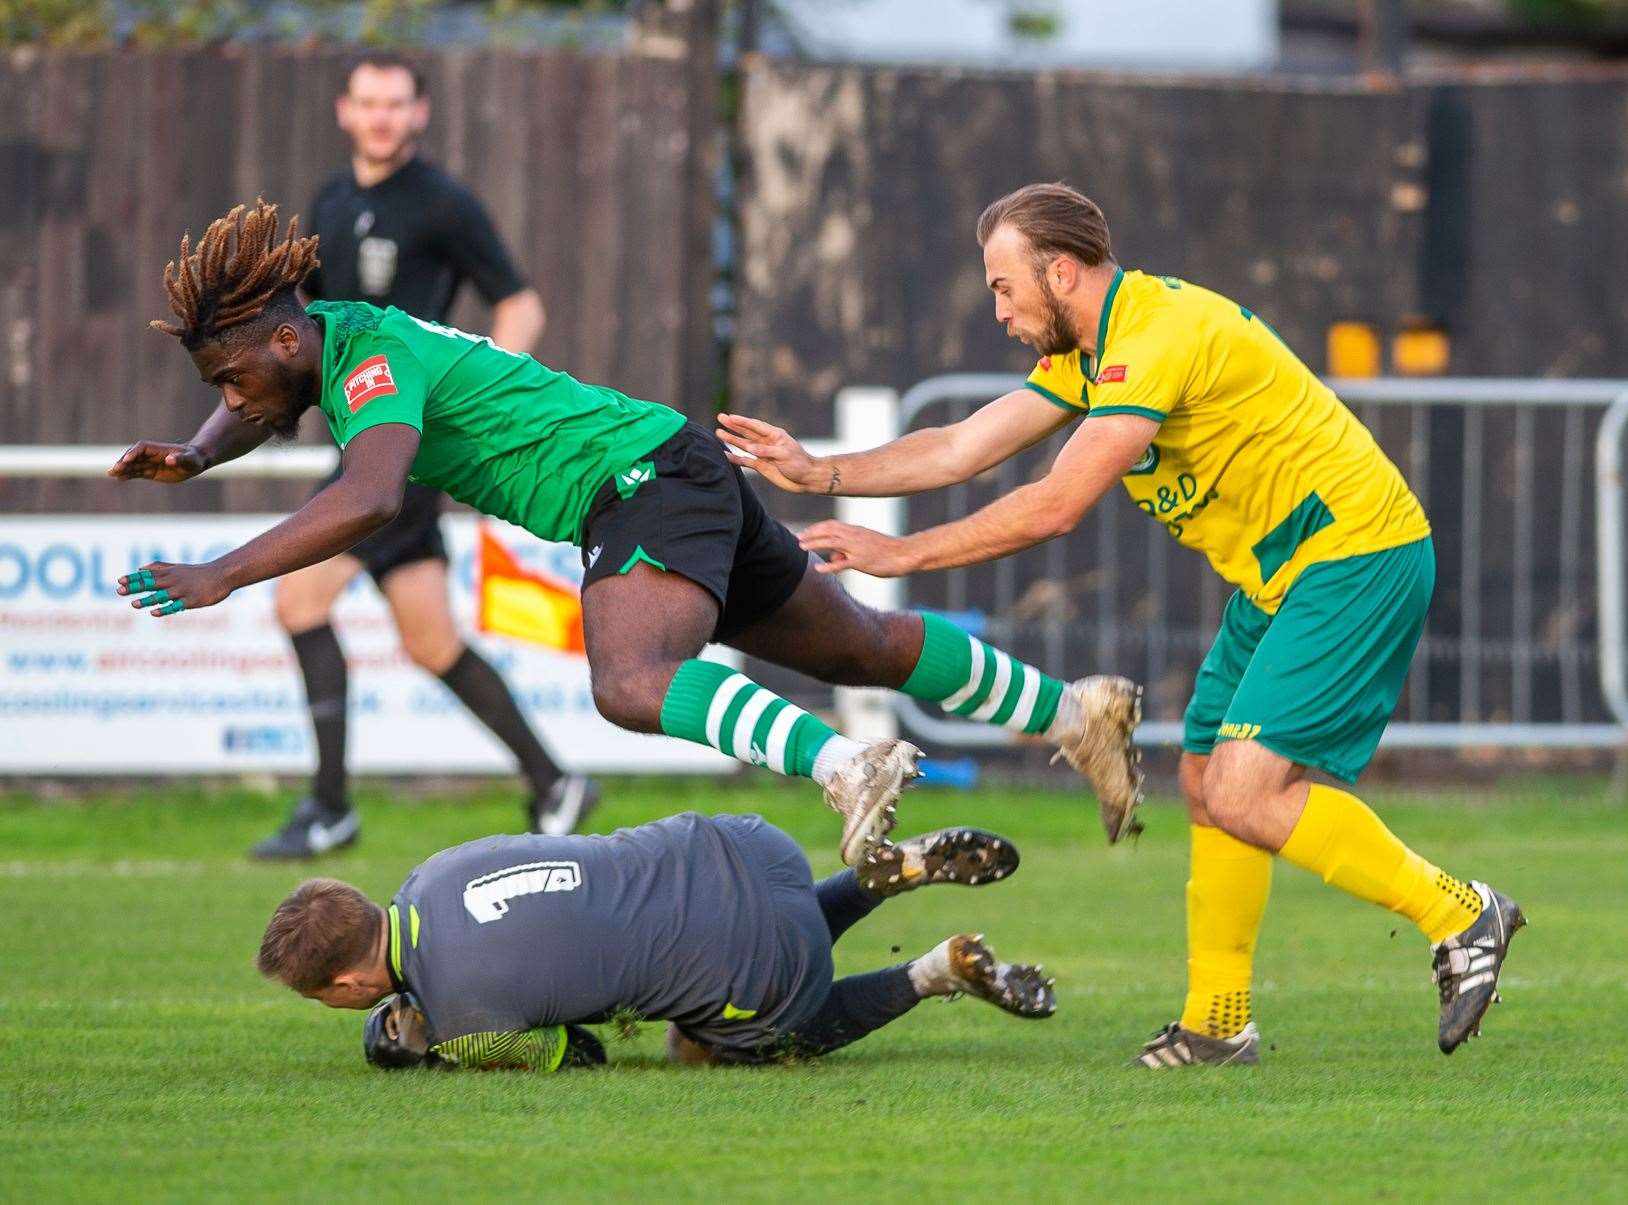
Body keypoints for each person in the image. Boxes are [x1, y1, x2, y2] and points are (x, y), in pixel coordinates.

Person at [716, 182, 1525, 1060]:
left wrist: (901, 555)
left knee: (1251, 792)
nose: (998, 309)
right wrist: (818, 470)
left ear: (1059, 272)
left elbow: (1055, 505)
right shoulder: (1093, 347)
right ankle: (1217, 1022)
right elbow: (961, 443)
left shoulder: (1151, 338)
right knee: (1209, 779)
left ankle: (1460, 913)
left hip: (1353, 556)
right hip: (1280, 578)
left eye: (1002, 285)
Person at [108, 198, 1143, 867]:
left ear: (288, 337)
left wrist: (225, 570)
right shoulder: (329, 349)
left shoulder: (367, 364)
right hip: (669, 467)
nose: (233, 399)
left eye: (233, 378)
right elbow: (262, 402)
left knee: (629, 681)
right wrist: (197, 456)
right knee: (862, 644)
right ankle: (1075, 714)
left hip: (639, 480)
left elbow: (373, 493)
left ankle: (848, 767)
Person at [252, 52, 582, 859]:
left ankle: (330, 807)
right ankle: (553, 780)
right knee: (431, 641)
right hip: (368, 439)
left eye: (395, 104)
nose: (381, 117)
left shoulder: (442, 203)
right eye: (368, 103)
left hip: (401, 446)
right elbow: (309, 313)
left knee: (297, 604)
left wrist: (483, 399)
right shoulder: (331, 198)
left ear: (419, 114)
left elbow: (522, 303)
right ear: (345, 111)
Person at [256, 817, 1053, 1070]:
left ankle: (933, 971)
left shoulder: (468, 1030)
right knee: (748, 925)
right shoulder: (437, 868)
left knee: (763, 1037)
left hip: (753, 958)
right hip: (746, 846)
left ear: (350, 985)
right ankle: (884, 874)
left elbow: (582, 1055)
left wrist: (436, 1047)